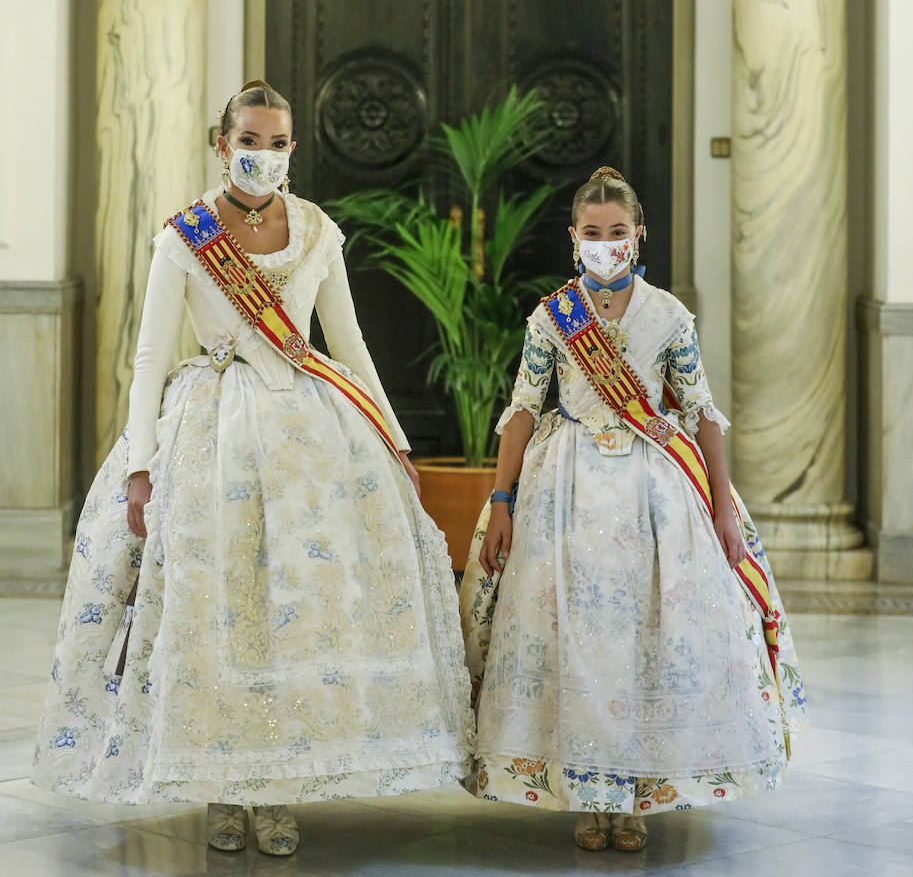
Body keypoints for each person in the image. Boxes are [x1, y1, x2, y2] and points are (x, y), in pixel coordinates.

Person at [33, 81, 474, 856]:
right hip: (210, 427)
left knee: (296, 617)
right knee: (215, 611)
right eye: (250, 140)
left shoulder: (316, 231)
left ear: (293, 149)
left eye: (277, 143)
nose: (262, 154)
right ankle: (221, 789)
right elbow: (147, 357)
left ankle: (279, 788)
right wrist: (141, 464)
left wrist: (396, 442)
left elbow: (350, 342)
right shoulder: (185, 238)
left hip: (312, 431)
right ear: (221, 142)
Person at [460, 167, 806, 852]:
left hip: (655, 494)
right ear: (573, 239)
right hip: (567, 489)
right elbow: (524, 410)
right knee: (578, 640)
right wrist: (501, 500)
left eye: (617, 233)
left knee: (646, 643)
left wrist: (724, 510)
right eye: (593, 234)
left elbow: (702, 413)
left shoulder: (668, 316)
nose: (605, 244)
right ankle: (589, 793)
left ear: (638, 235)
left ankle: (639, 792)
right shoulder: (552, 317)